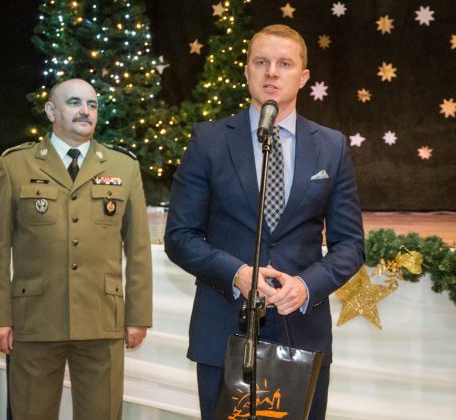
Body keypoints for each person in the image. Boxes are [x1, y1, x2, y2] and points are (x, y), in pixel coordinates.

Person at [164, 24, 364, 419]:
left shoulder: (331, 146)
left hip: (300, 335)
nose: (271, 72)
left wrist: (305, 286)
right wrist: (237, 273)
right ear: (246, 71)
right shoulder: (209, 140)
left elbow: (350, 245)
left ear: (303, 77)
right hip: (225, 330)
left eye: (284, 64)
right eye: (261, 62)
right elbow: (180, 236)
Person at [0, 78, 153, 420]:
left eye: (92, 104)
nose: (85, 111)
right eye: (74, 102)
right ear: (50, 111)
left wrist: (137, 316)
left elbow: (138, 250)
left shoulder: (123, 167)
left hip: (102, 319)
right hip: (35, 319)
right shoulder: (15, 165)